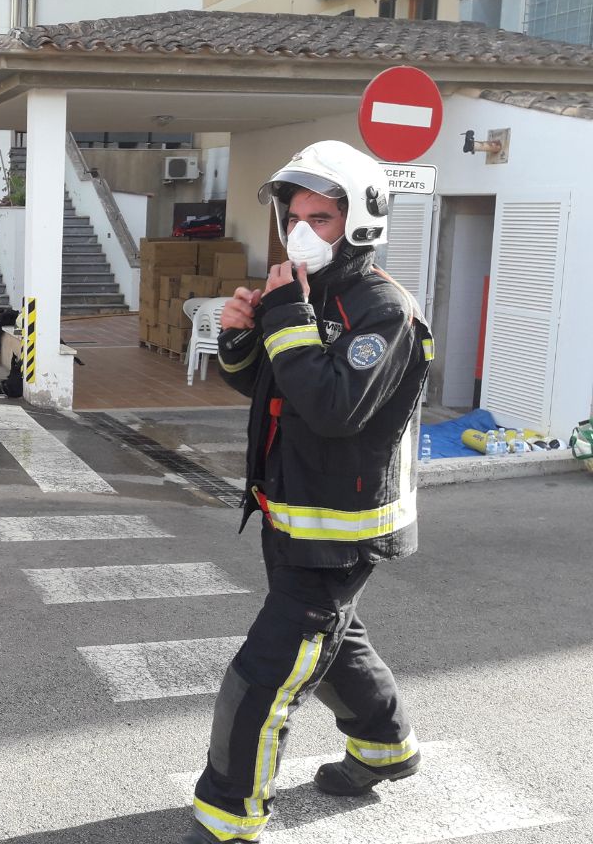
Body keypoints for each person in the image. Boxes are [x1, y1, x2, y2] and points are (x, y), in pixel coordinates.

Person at [181, 141, 435, 844]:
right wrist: (240, 336)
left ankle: (229, 814)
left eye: (320, 219)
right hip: (290, 514)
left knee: (268, 673)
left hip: (341, 531)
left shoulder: (383, 309)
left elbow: (331, 408)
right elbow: (272, 389)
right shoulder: (306, 295)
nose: (300, 232)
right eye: (293, 215)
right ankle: (387, 748)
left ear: (360, 222)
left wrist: (285, 317)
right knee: (336, 643)